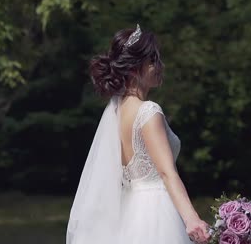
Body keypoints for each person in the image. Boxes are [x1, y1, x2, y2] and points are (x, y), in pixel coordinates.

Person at [66, 24, 211, 244]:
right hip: (156, 212)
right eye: (153, 61)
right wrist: (192, 219)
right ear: (134, 69)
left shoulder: (118, 110)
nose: (160, 66)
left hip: (129, 211)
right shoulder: (148, 111)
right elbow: (166, 173)